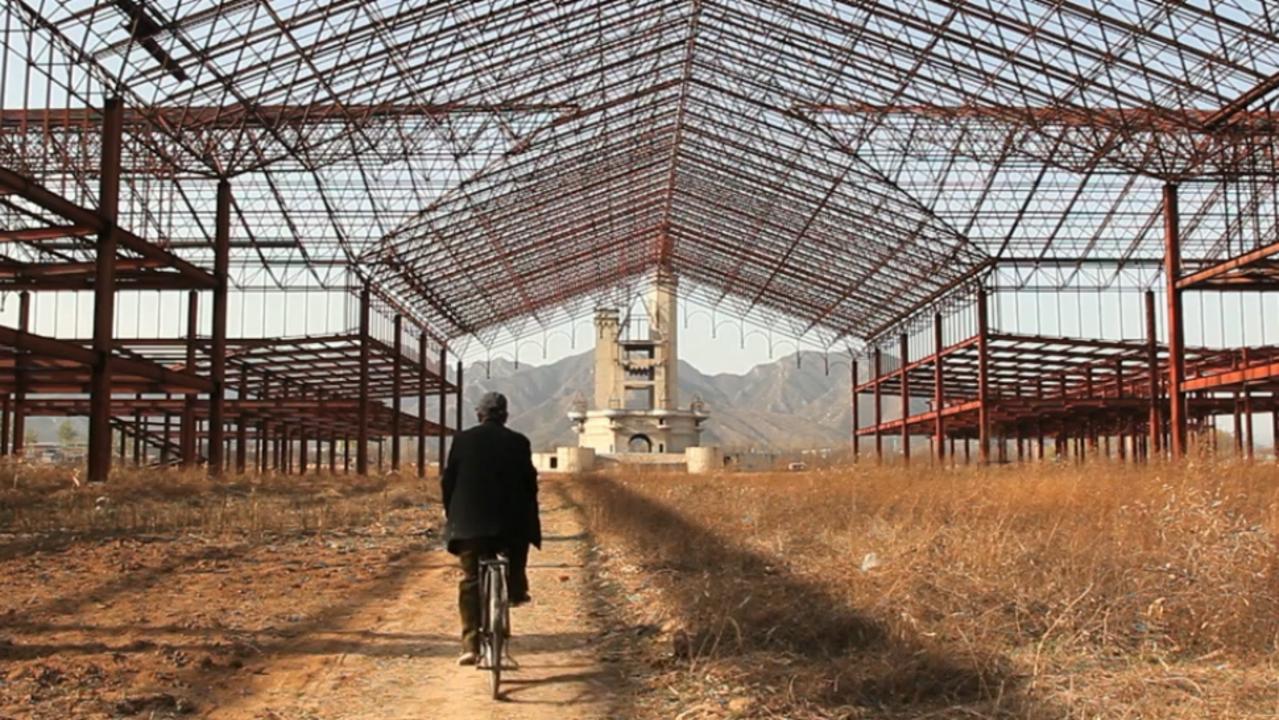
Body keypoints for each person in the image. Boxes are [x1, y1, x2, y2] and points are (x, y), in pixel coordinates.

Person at [441, 391, 541, 666]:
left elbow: (448, 481)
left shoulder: (462, 440)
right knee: (515, 556)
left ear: (478, 414)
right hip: (510, 525)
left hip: (469, 523)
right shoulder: (519, 442)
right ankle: (516, 589)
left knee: (471, 578)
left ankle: (470, 645)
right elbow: (530, 484)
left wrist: (451, 515)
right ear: (506, 416)